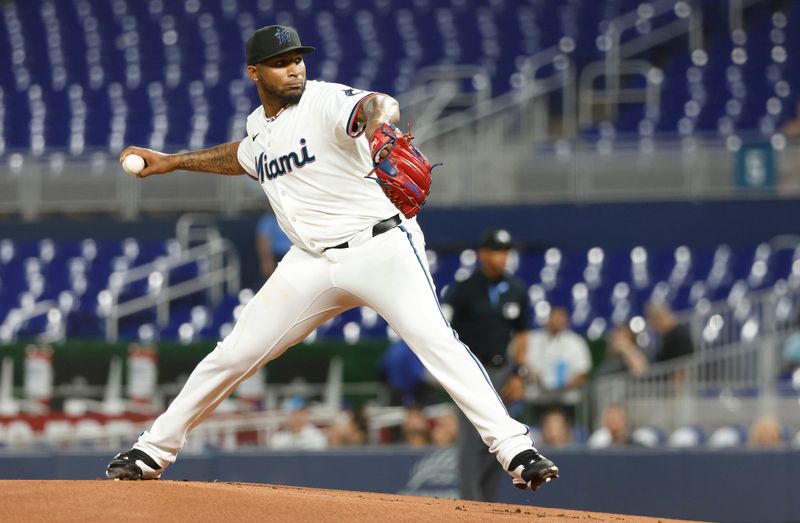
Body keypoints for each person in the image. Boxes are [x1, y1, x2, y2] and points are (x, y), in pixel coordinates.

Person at [105, 25, 557, 491]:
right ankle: (152, 450)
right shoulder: (258, 127)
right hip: (311, 264)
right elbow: (242, 156)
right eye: (282, 62)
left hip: (379, 247)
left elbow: (378, 104)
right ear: (254, 73)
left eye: (298, 58)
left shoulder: (324, 102)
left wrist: (382, 131)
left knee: (435, 342)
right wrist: (173, 161)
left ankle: (514, 448)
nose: (295, 67)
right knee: (233, 354)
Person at [442, 228, 536, 501]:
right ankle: (469, 505)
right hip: (472, 372)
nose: (502, 257)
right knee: (471, 443)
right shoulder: (463, 290)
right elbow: (446, 331)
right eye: (496, 250)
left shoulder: (516, 290)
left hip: (503, 371)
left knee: (500, 442)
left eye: (505, 251)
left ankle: (488, 505)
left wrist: (518, 372)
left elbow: (522, 335)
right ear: (482, 253)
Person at [520, 306, 592, 421]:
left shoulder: (576, 341)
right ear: (548, 318)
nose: (557, 321)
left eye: (561, 318)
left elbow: (583, 371)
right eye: (555, 317)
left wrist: (568, 383)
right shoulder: (533, 339)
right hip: (539, 399)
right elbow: (523, 364)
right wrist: (534, 376)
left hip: (567, 400)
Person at [255, 211, 292, 280]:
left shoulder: (292, 220)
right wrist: (266, 261)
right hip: (275, 257)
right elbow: (262, 241)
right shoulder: (267, 220)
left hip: (293, 255)